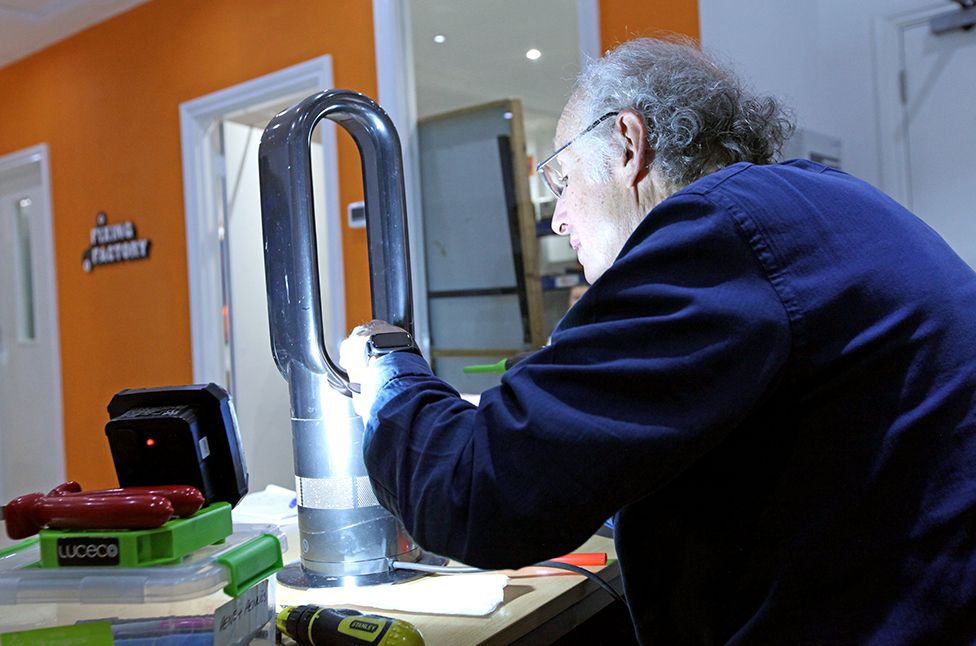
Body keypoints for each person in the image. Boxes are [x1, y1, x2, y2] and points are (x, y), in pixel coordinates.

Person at [339, 37, 976, 644]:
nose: (557, 219)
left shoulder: (718, 229)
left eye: (561, 181)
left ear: (626, 143)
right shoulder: (817, 205)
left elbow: (477, 495)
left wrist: (389, 366)